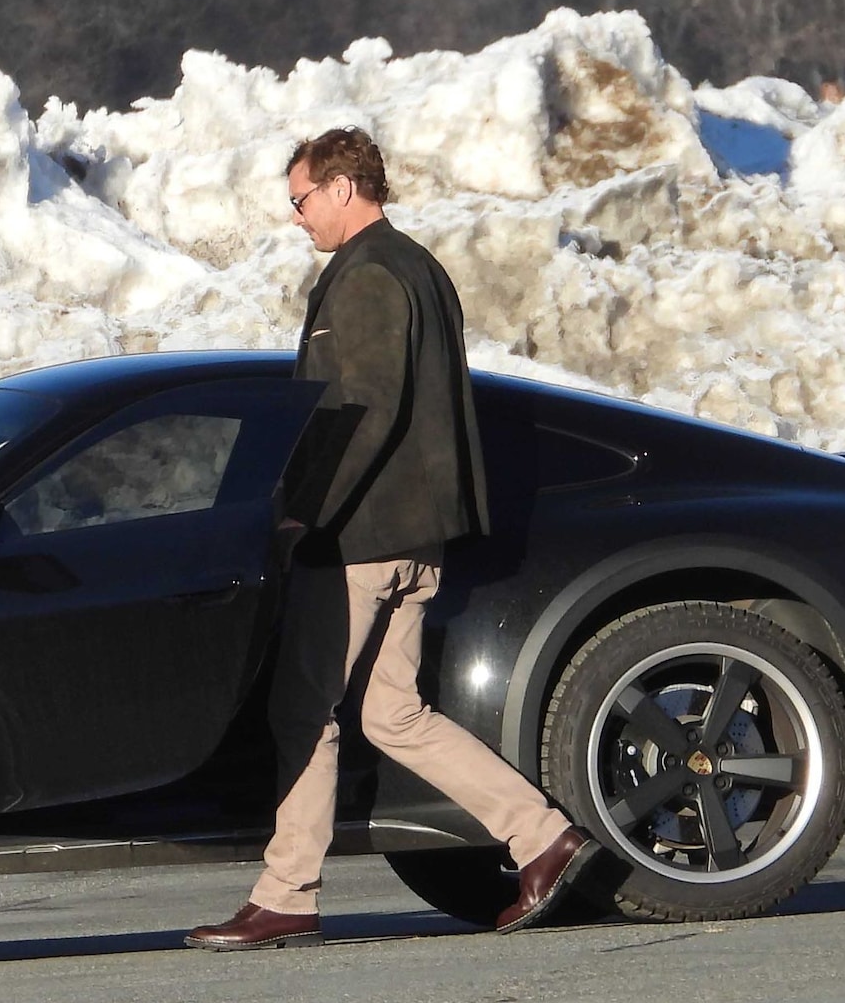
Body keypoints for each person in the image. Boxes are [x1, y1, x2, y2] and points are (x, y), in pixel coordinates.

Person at [187, 127, 598, 950]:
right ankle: (543, 838)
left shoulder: (369, 273)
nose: (298, 218)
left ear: (343, 188)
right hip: (416, 534)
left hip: (362, 537)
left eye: (301, 200)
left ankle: (287, 892)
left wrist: (306, 513)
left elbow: (362, 410)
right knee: (394, 714)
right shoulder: (418, 265)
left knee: (304, 709)